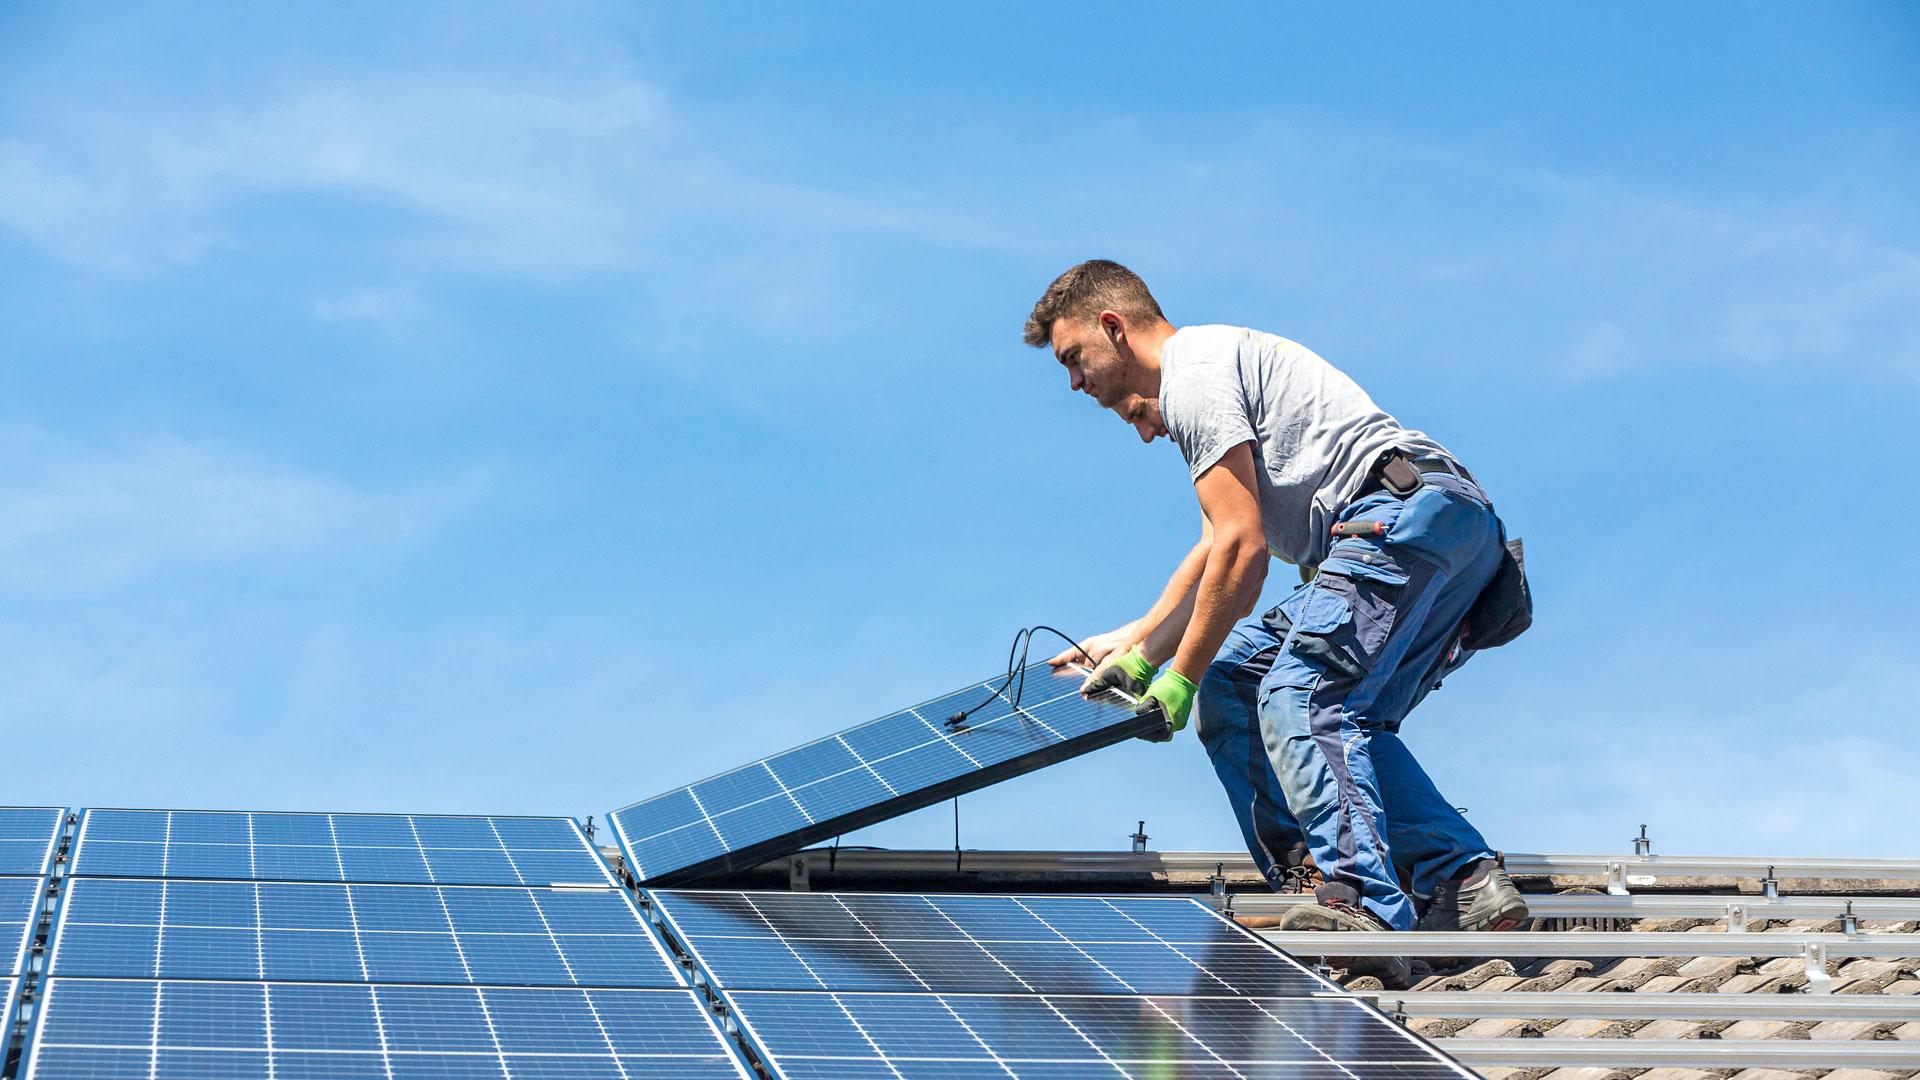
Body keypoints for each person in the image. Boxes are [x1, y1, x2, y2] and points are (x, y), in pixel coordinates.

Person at [1026, 259, 1527, 981]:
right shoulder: (1215, 367)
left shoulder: (1191, 372)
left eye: (1074, 359)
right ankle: (1464, 879)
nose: (1075, 382)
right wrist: (1136, 642)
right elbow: (1214, 551)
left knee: (1299, 694)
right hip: (1437, 529)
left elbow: (1243, 550)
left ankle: (1354, 898)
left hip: (1392, 522)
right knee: (1248, 686)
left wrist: (1177, 680)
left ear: (1113, 327)